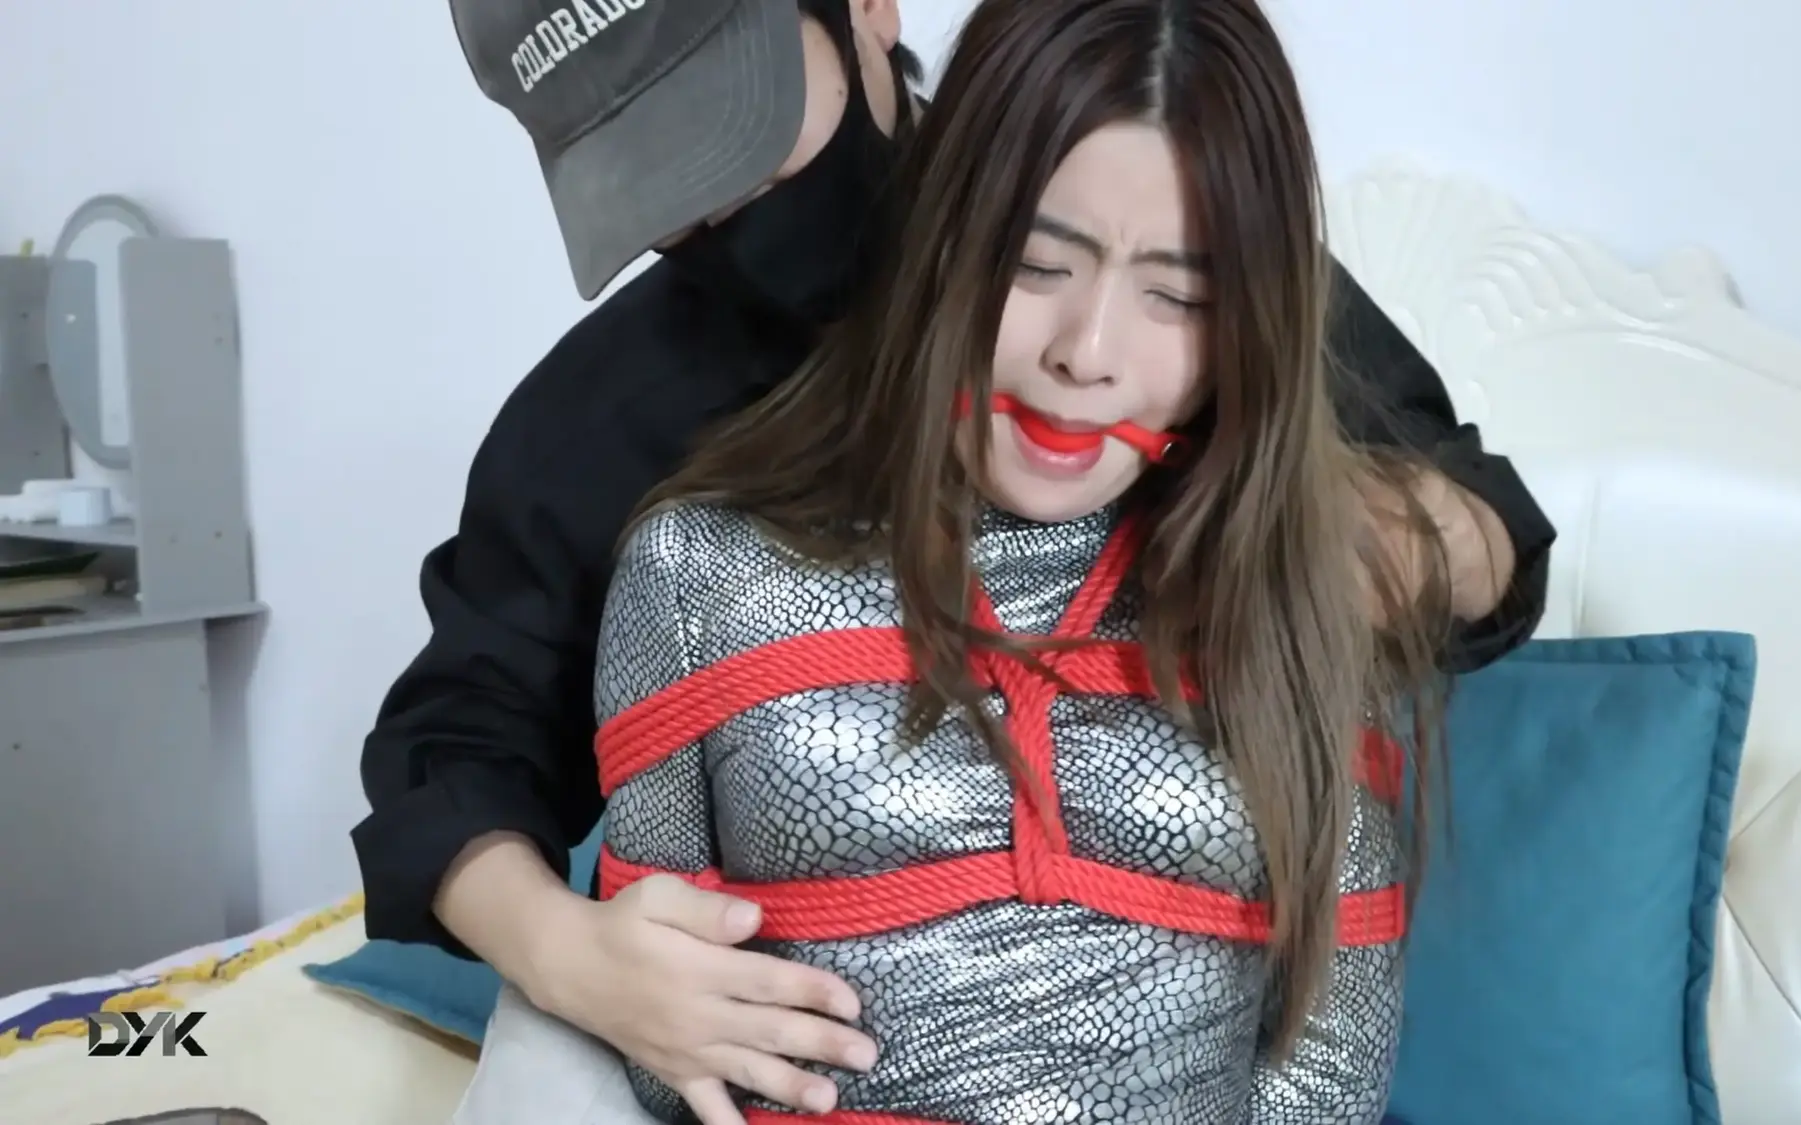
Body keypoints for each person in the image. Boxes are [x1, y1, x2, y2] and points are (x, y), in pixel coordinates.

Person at [358, 0, 1555, 1119]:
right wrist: (572, 958)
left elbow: (1477, 522)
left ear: (866, 8)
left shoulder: (1131, 193)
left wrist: (1349, 537)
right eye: (653, 175)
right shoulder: (607, 427)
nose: (722, 204)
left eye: (739, 131)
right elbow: (455, 747)